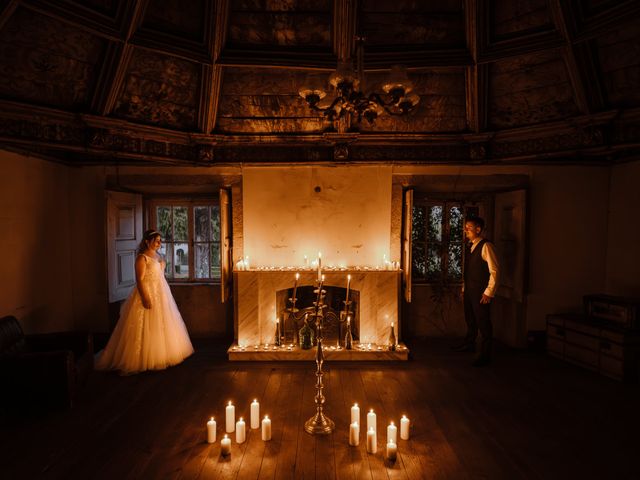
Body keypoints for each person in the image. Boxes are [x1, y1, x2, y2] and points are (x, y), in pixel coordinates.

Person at [96, 229, 194, 375]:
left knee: (162, 324)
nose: (159, 243)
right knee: (144, 325)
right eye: (156, 241)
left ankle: (161, 354)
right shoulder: (142, 258)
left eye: (160, 241)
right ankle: (141, 358)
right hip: (147, 292)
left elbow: (160, 274)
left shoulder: (158, 255)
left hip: (161, 292)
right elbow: (140, 280)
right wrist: (145, 297)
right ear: (147, 241)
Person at [453, 215, 499, 367]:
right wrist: (465, 289)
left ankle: (485, 355)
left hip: (481, 292)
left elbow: (495, 271)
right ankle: (469, 344)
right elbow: (470, 271)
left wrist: (488, 292)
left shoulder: (486, 246)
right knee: (470, 319)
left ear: (478, 229)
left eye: (469, 227)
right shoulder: (471, 245)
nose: (465, 230)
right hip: (470, 291)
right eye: (465, 227)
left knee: (483, 323)